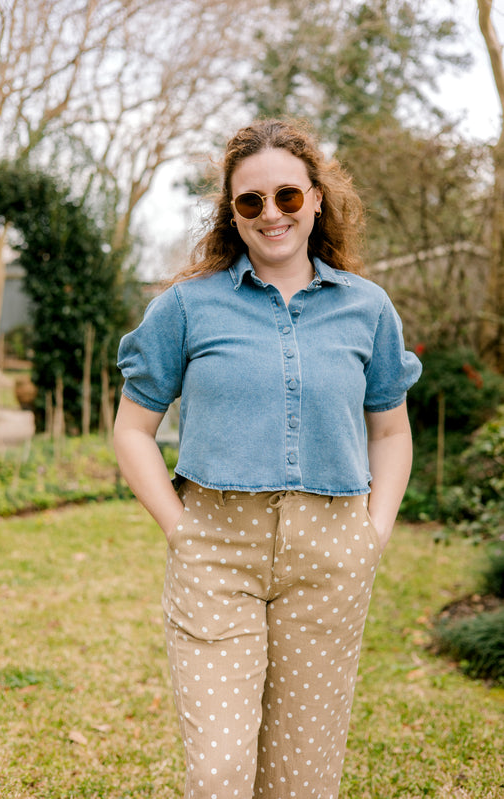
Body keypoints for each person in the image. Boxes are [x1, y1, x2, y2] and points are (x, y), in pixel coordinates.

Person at [114, 118, 422, 799]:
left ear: (316, 198)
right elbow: (132, 430)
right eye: (250, 201)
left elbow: (391, 433)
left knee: (300, 779)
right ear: (232, 212)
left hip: (331, 552)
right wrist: (180, 529)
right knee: (218, 771)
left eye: (287, 196)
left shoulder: (367, 309)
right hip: (215, 550)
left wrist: (372, 531)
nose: (271, 214)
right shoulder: (186, 307)